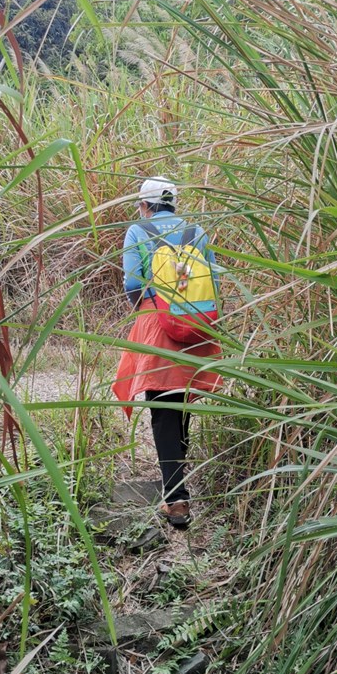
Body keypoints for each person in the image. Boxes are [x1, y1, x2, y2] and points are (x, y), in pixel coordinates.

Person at [111, 177, 221, 528]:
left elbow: (132, 282)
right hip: (197, 324)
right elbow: (215, 282)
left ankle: (176, 500)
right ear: (174, 203)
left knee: (162, 409)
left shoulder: (137, 231)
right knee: (182, 400)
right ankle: (178, 476)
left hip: (158, 327)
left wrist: (147, 308)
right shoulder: (196, 232)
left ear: (144, 205)